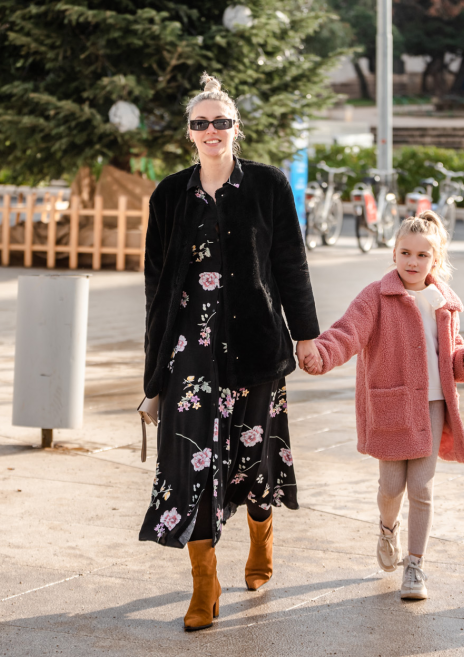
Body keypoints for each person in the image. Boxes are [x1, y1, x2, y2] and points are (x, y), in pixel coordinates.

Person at [139, 73, 320, 631]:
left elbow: (290, 262)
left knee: (254, 454)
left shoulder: (267, 185)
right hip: (188, 352)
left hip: (255, 343)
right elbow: (156, 283)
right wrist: (152, 374)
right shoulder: (170, 193)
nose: (211, 130)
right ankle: (204, 583)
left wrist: (306, 332)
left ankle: (262, 531)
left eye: (221, 121)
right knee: (188, 460)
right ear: (189, 133)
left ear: (236, 129)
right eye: (201, 123)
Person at [304, 213, 464, 600]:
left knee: (421, 486)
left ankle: (415, 567)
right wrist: (321, 353)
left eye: (422, 255)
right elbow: (347, 332)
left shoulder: (444, 303)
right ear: (394, 253)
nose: (412, 261)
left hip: (432, 405)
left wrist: (463, 360)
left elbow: (449, 351)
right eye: (405, 252)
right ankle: (388, 530)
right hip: (392, 404)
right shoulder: (376, 296)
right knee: (391, 486)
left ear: (435, 261)